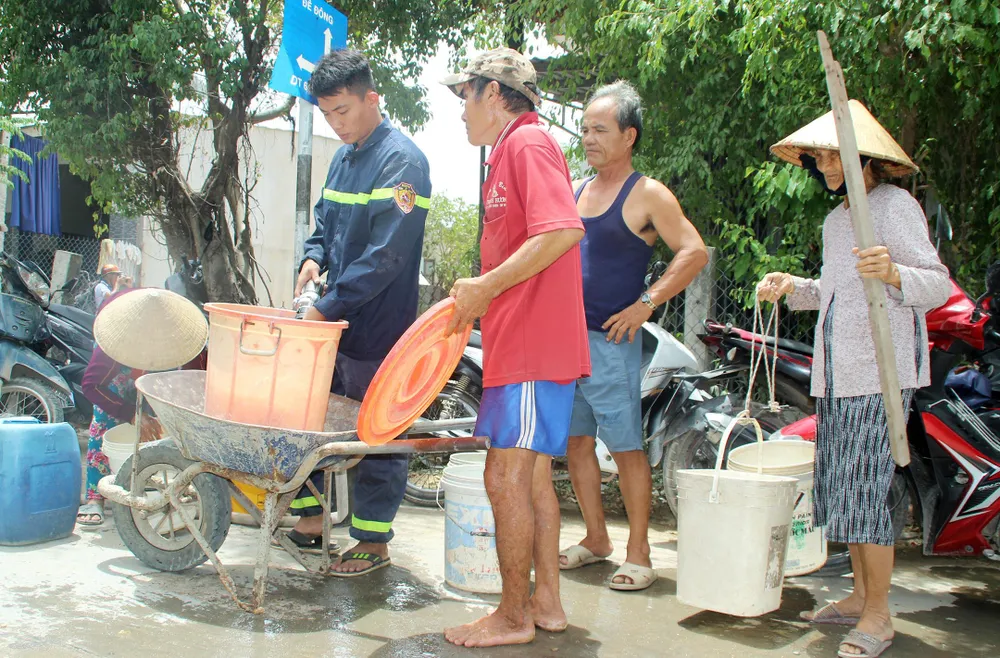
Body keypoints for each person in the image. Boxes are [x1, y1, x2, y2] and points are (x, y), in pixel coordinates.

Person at [759, 102, 950, 658]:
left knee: (868, 491)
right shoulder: (839, 218)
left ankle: (878, 615)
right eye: (816, 156)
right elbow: (832, 291)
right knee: (843, 490)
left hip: (879, 375)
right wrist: (792, 286)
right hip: (836, 376)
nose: (821, 164)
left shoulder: (893, 206)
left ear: (860, 153)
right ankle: (858, 597)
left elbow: (936, 284)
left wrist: (894, 273)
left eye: (828, 153)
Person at [441, 48, 590, 648]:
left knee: (503, 477)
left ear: (494, 93)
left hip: (531, 345)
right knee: (529, 481)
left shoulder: (527, 144)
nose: (459, 111)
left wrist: (485, 285)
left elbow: (562, 229)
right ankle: (545, 602)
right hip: (523, 345)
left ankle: (512, 615)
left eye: (464, 97)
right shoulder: (509, 151)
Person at [559, 81, 708, 591]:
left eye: (600, 129)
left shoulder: (647, 193)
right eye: (584, 129)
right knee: (576, 444)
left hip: (612, 345)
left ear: (629, 136)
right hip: (568, 344)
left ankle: (640, 553)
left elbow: (693, 252)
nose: (588, 138)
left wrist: (645, 304)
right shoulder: (576, 189)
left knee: (625, 449)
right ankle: (596, 539)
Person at [287, 49, 431, 576]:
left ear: (373, 98)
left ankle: (372, 541)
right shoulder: (341, 158)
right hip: (333, 323)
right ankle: (309, 520)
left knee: (379, 433)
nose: (335, 123)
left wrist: (325, 308)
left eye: (343, 111)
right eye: (326, 114)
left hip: (378, 330)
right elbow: (324, 223)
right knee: (307, 421)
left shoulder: (404, 163)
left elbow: (387, 257)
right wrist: (312, 256)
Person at [78, 287, 205, 526]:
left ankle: (157, 489)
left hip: (160, 375)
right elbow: (92, 386)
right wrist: (130, 414)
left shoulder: (185, 339)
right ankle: (96, 496)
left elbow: (196, 381)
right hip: (119, 373)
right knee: (106, 419)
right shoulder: (116, 337)